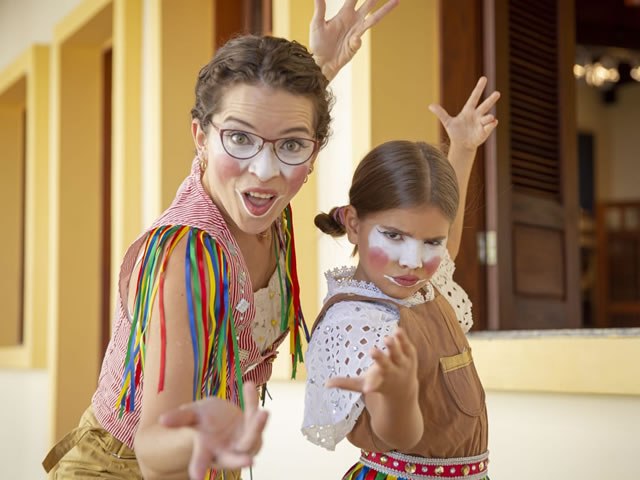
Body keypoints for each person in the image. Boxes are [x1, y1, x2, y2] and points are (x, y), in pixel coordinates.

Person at [42, 1, 399, 479]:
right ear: (200, 137)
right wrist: (203, 437)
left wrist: (319, 68)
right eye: (239, 140)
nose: (266, 171)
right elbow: (152, 449)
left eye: (292, 145)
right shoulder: (183, 260)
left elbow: (272, 119)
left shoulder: (256, 192)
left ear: (313, 151)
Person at [302, 77, 500, 479]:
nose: (413, 261)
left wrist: (462, 149)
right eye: (394, 236)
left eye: (431, 242)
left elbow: (449, 241)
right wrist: (397, 398)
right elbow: (395, 434)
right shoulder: (357, 320)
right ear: (354, 225)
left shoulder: (423, 288)